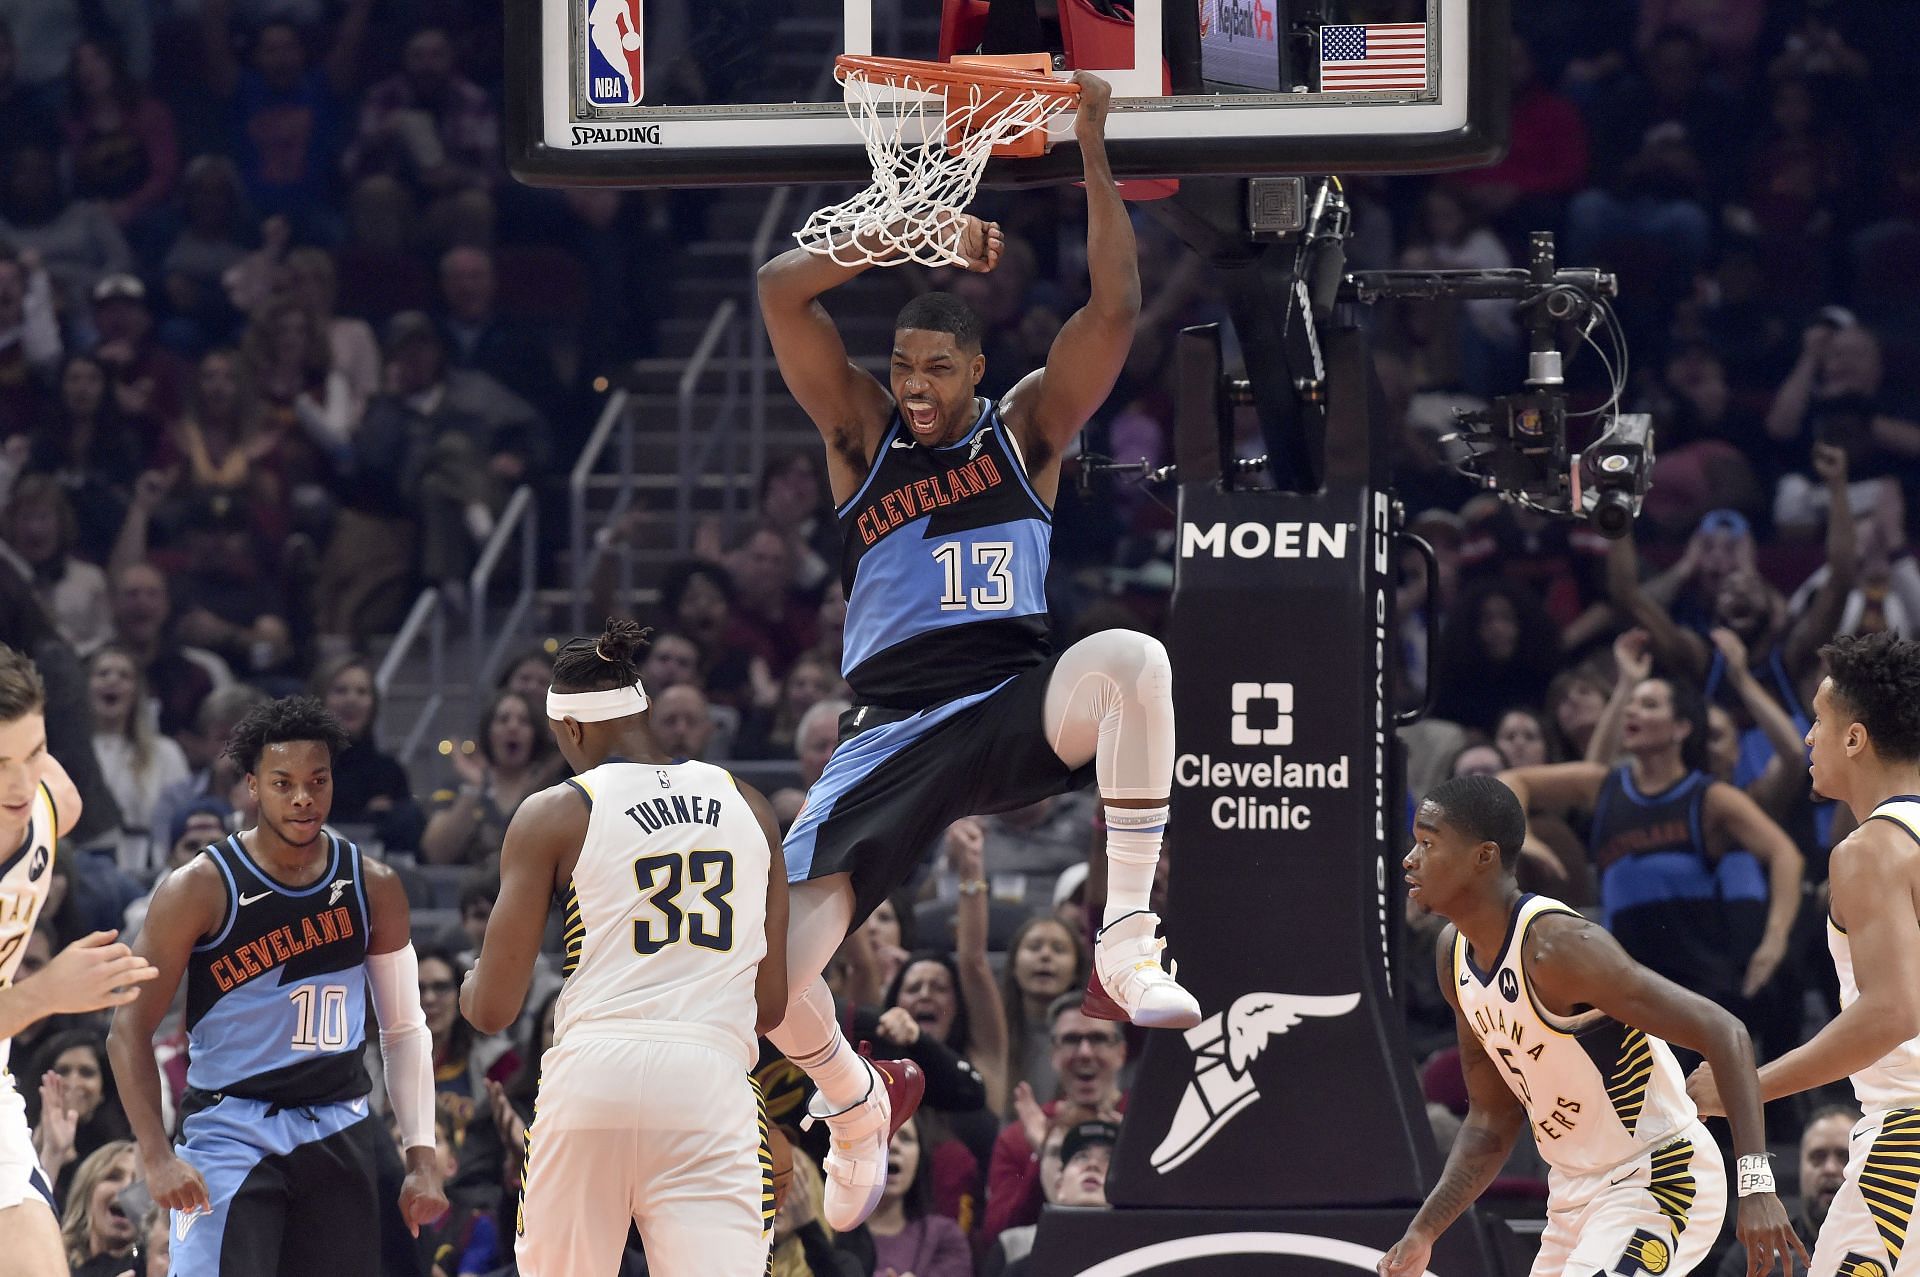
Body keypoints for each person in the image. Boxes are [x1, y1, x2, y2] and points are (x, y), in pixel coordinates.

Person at [755, 70, 1193, 1230]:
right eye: (901, 368)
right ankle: (856, 1101)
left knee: (1135, 666)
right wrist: (892, 231)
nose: (914, 388)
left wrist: (1093, 146)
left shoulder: (1028, 430)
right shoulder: (862, 433)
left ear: (975, 372)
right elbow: (779, 291)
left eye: (936, 369)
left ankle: (1130, 932)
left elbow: (1113, 308)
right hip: (889, 730)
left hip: (1006, 696)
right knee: (767, 983)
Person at [460, 618, 791, 1277]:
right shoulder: (749, 803)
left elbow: (493, 1010)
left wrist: (474, 978)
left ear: (573, 728)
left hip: (593, 1077)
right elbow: (770, 1003)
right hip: (708, 1079)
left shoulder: (555, 810)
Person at [1380, 775, 1803, 1277]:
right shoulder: (1453, 955)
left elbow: (1726, 1032)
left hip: (1657, 1175)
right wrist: (1424, 1230)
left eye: (1428, 843)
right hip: (1572, 1193)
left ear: (1483, 856)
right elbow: (1490, 1124)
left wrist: (1755, 1184)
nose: (1409, 858)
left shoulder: (1558, 947)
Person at [106, 695, 446, 1275]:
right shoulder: (200, 887)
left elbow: (404, 1028)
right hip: (231, 1131)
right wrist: (156, 1157)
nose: (304, 798)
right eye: (284, 783)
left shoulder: (374, 884)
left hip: (338, 1125)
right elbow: (127, 1032)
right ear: (252, 786)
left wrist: (421, 1156)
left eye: (318, 780)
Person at [1687, 632, 1920, 1277]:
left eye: (1818, 721)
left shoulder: (1871, 848)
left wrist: (1749, 1089)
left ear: (1855, 738)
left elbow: (1892, 1013)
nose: (1809, 737)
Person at [1498, 668, 1804, 1020]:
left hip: (1697, 991)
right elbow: (1511, 780)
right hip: (1623, 991)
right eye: (1630, 704)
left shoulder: (1709, 797)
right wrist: (1524, 837)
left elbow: (1785, 855)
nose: (1631, 712)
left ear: (1681, 728)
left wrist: (1775, 940)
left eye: (1649, 705)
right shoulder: (1604, 785)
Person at [0, 643, 160, 1277]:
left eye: (32, 752)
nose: (19, 782)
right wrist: (48, 992)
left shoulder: (48, 798)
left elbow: (59, 793)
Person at [1712, 1105, 1856, 1277]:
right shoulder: (1755, 1253)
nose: (1830, 1169)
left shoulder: (1892, 1245)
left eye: (1844, 1156)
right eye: (1818, 1156)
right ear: (1800, 1166)